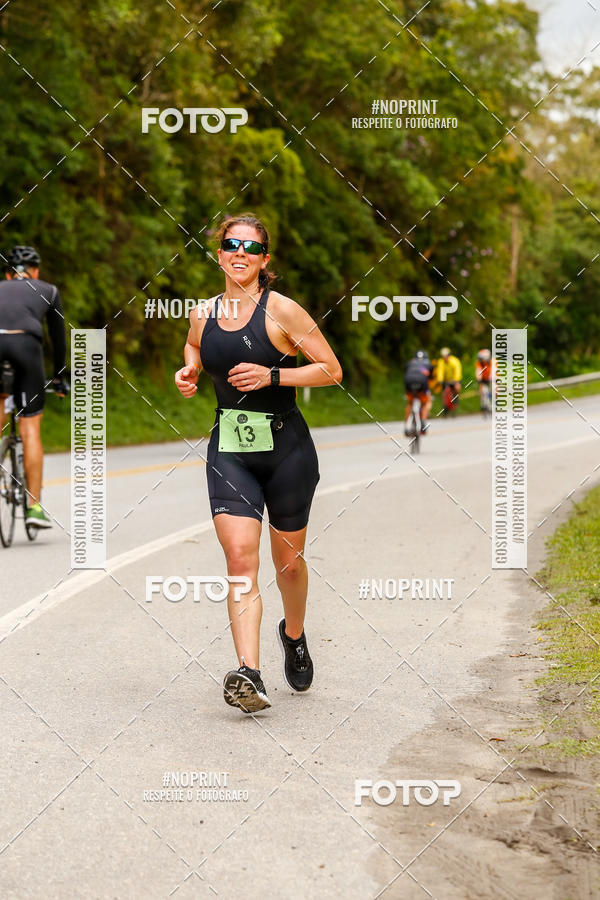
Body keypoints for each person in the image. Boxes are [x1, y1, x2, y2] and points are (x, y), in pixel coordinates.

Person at [174, 214, 343, 714]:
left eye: (251, 247)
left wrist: (273, 376)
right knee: (239, 559)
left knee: (288, 564)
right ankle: (248, 672)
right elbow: (194, 345)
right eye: (231, 244)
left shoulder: (283, 311)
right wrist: (190, 369)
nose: (240, 253)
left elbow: (331, 369)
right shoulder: (203, 313)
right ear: (219, 254)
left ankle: (293, 635)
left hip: (288, 450)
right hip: (231, 450)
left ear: (264, 259)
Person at [0, 246, 67, 528]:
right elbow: (58, 339)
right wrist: (59, 377)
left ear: (8, 274)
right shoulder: (48, 290)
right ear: (35, 271)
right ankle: (34, 507)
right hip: (26, 347)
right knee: (30, 429)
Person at [404, 350, 432, 437]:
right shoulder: (428, 363)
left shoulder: (410, 362)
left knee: (410, 403)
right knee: (425, 403)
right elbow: (430, 377)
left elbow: (405, 371)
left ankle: (406, 426)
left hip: (409, 381)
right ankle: (423, 421)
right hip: (422, 383)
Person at [436, 346, 462, 416]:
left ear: (449, 355)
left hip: (455, 379)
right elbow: (440, 371)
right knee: (444, 393)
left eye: (446, 355)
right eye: (443, 356)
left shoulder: (455, 361)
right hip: (446, 380)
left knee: (456, 389)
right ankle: (445, 408)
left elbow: (457, 371)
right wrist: (440, 380)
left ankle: (455, 404)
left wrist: (456, 380)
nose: (445, 357)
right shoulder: (441, 362)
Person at [475, 348, 496, 415]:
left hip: (493, 378)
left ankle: (495, 403)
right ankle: (484, 405)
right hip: (484, 379)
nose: (480, 360)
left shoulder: (493, 361)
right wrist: (478, 378)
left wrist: (491, 378)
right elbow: (478, 371)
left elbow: (493, 371)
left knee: (494, 389)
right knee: (483, 390)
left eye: (481, 358)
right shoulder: (479, 363)